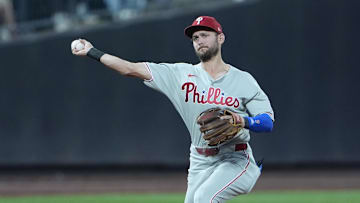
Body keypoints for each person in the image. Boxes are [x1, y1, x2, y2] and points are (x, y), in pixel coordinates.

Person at [71, 16, 274, 203]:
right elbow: (129, 68)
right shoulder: (179, 74)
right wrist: (92, 52)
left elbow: (267, 122)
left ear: (220, 38)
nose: (199, 40)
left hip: (236, 158)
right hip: (200, 159)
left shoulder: (243, 80)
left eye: (205, 35)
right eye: (195, 37)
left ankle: (251, 172)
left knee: (205, 198)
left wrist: (243, 121)